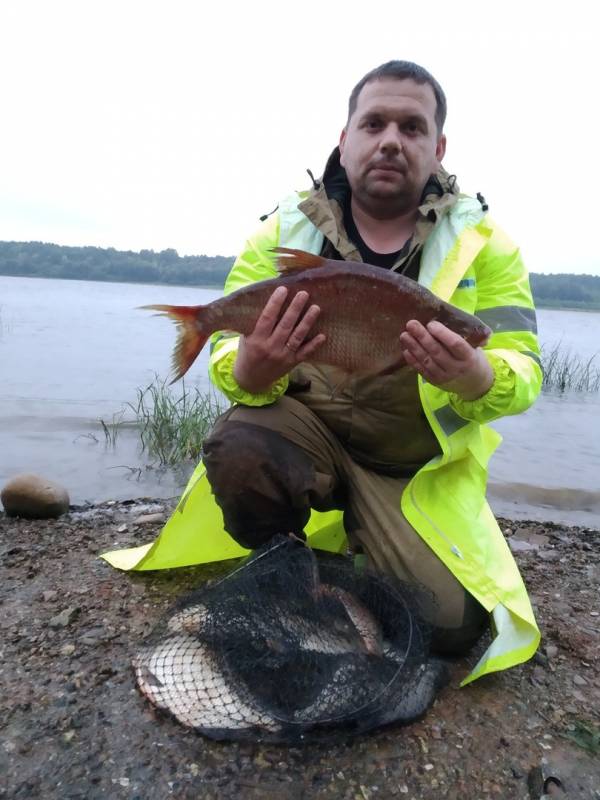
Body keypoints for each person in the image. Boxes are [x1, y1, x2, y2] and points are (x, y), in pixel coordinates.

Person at [105, 61, 542, 685]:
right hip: (306, 434)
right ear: (346, 138)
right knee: (240, 443)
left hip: (408, 470)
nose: (391, 139)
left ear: (438, 147)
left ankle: (370, 540)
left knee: (446, 626)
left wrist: (477, 377)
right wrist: (251, 366)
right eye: (375, 123)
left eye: (412, 126)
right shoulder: (283, 228)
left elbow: (523, 364)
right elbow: (231, 357)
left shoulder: (487, 245)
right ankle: (284, 564)